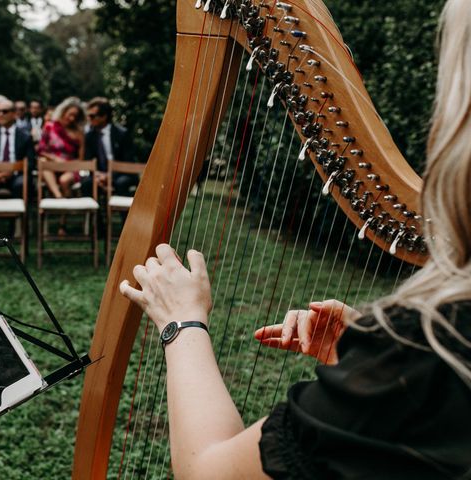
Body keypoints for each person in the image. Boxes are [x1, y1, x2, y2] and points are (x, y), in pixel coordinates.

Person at [118, 1, 471, 478]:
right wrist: (370, 366)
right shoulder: (426, 355)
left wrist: (181, 322)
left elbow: (209, 473)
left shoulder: (435, 349)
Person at [81, 97, 137, 197]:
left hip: (121, 173)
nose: (89, 119)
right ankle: (94, 212)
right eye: (88, 116)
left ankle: (122, 212)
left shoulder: (122, 134)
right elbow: (88, 159)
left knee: (121, 183)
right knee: (87, 183)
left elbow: (128, 161)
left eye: (92, 116)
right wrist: (98, 175)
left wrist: (110, 176)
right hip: (99, 174)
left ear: (104, 116)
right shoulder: (89, 136)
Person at [37, 96, 86, 200]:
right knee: (43, 162)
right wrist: (55, 159)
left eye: (75, 116)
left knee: (64, 180)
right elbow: (41, 150)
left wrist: (68, 164)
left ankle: (66, 208)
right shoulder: (50, 126)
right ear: (63, 112)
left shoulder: (79, 133)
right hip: (52, 164)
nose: (72, 118)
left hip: (70, 166)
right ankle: (59, 197)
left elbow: (81, 158)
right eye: (70, 115)